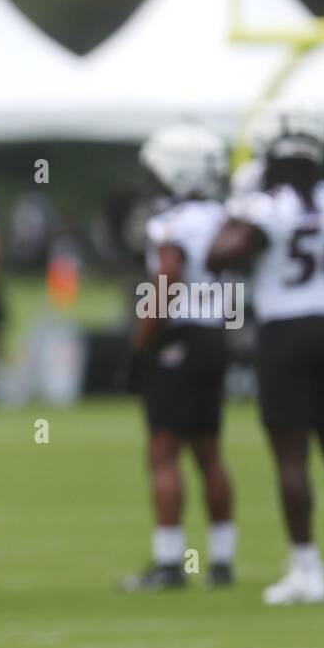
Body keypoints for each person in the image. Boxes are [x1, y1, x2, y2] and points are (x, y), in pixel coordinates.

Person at [208, 108, 324, 603]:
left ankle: (307, 571)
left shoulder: (268, 206)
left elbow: (219, 255)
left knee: (292, 455)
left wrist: (239, 207)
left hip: (284, 333)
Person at [122, 124, 236, 591]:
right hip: (214, 337)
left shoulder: (172, 223)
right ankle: (222, 561)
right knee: (209, 452)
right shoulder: (230, 217)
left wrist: (141, 342)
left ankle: (170, 563)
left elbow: (166, 280)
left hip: (177, 340)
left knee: (164, 452)